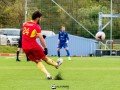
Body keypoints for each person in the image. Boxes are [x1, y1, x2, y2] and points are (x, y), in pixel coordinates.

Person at [22, 11, 63, 79]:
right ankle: (56, 64)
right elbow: (41, 39)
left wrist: (37, 36)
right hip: (33, 46)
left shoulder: (25, 24)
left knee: (37, 61)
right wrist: (45, 48)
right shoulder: (36, 26)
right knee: (44, 58)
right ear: (38, 18)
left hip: (25, 47)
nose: (40, 20)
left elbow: (28, 35)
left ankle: (48, 74)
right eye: (40, 18)